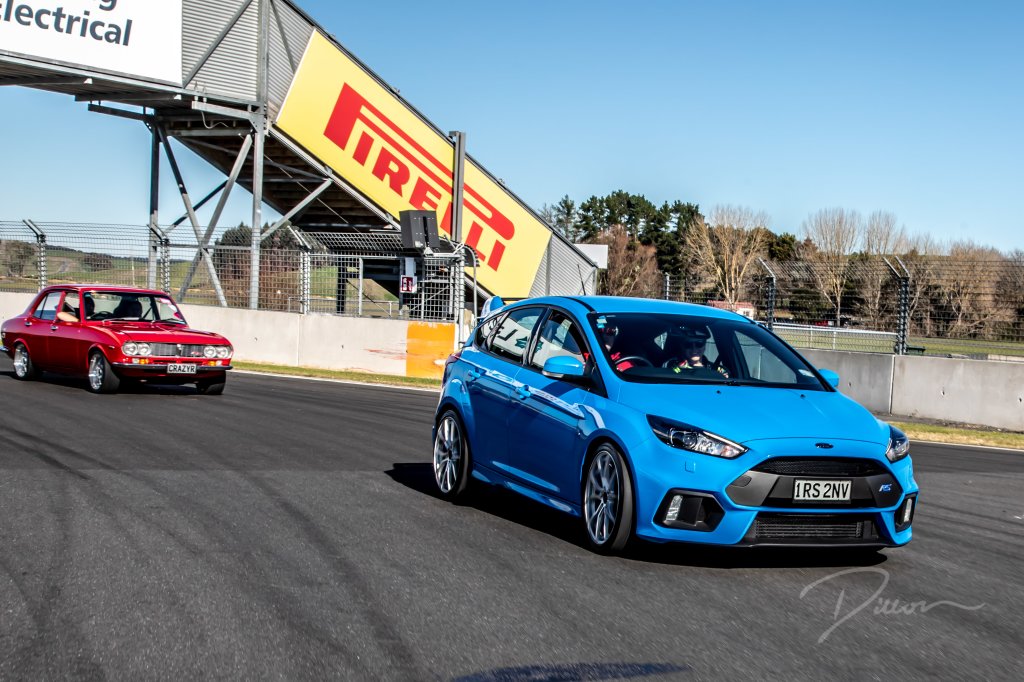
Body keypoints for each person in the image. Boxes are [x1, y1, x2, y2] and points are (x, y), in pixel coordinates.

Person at [663, 326, 730, 378]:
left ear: (704, 346)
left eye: (699, 344)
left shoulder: (717, 370)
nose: (694, 349)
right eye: (688, 344)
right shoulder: (673, 367)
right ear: (682, 347)